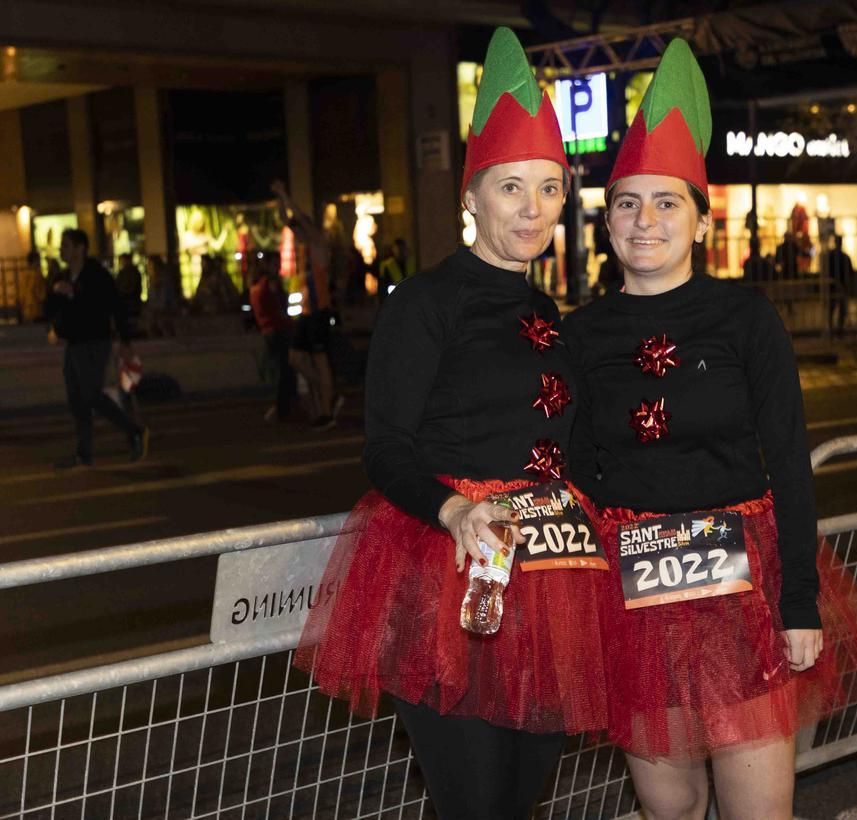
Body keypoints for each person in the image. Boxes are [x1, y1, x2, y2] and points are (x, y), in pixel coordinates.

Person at [564, 40, 857, 820]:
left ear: (701, 220)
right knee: (668, 807)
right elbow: (575, 474)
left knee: (758, 812)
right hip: (635, 598)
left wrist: (801, 603)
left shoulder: (746, 318)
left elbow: (788, 461)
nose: (645, 222)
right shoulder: (579, 335)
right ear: (606, 221)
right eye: (627, 203)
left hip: (742, 595)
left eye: (667, 202)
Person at [295, 28, 608, 820]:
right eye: (511, 188)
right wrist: (457, 509)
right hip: (446, 574)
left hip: (548, 577)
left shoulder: (546, 309)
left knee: (521, 797)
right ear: (469, 197)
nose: (531, 208)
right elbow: (385, 450)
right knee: (474, 802)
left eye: (547, 188)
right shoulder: (425, 304)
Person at [44, 229, 149, 468]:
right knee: (76, 399)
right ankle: (83, 453)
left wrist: (124, 341)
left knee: (91, 394)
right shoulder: (62, 277)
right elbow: (49, 309)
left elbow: (112, 305)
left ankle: (133, 431)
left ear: (81, 249)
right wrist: (56, 297)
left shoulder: (96, 275)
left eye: (66, 245)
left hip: (94, 341)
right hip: (73, 344)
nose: (62, 250)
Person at [271, 179, 341, 430]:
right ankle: (327, 393)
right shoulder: (303, 249)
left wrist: (286, 195)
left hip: (320, 312)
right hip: (306, 313)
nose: (297, 233)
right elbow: (284, 219)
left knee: (320, 360)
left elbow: (299, 218)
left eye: (301, 229)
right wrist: (280, 199)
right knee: (296, 358)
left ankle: (326, 408)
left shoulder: (319, 245)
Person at [248, 251, 296, 423]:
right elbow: (279, 306)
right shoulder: (271, 282)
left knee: (282, 370)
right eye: (275, 263)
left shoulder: (256, 284)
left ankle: (284, 408)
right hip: (279, 329)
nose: (278, 267)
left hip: (268, 330)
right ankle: (284, 408)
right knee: (286, 370)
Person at [824, 234, 852, 336]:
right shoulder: (844, 257)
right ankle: (838, 329)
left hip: (833, 286)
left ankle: (833, 329)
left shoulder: (831, 256)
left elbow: (827, 270)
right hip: (840, 285)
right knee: (840, 309)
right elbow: (850, 272)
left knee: (833, 309)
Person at [114, 253, 143, 322]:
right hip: (129, 302)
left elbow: (131, 287)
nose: (121, 263)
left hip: (129, 302)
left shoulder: (130, 272)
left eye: (122, 260)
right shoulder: (128, 272)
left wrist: (121, 293)